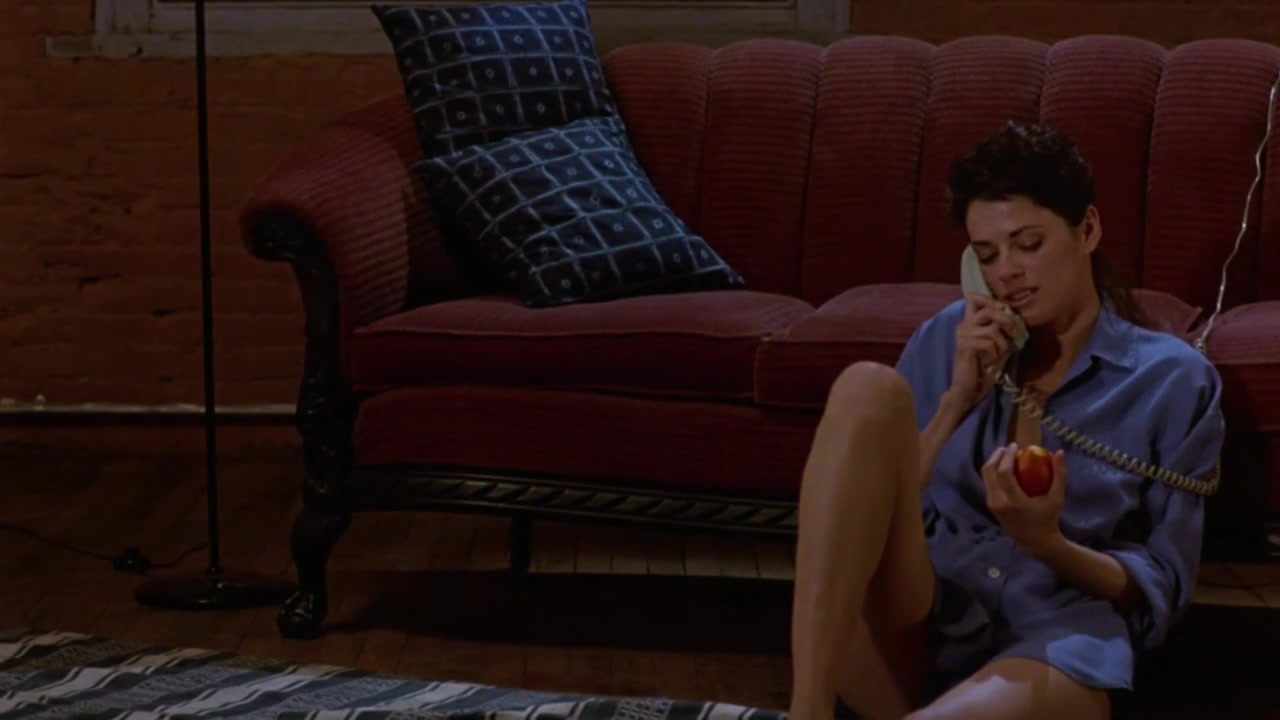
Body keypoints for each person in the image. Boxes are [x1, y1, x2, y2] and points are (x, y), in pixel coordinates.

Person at [786, 121, 1225, 720]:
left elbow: (1163, 586)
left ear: (1087, 230)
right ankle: (807, 711)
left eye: (1028, 244)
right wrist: (955, 403)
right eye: (987, 255)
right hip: (923, 617)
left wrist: (1047, 543)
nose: (1007, 272)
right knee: (866, 387)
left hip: (1053, 637)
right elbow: (878, 515)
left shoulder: (1172, 379)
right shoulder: (949, 339)